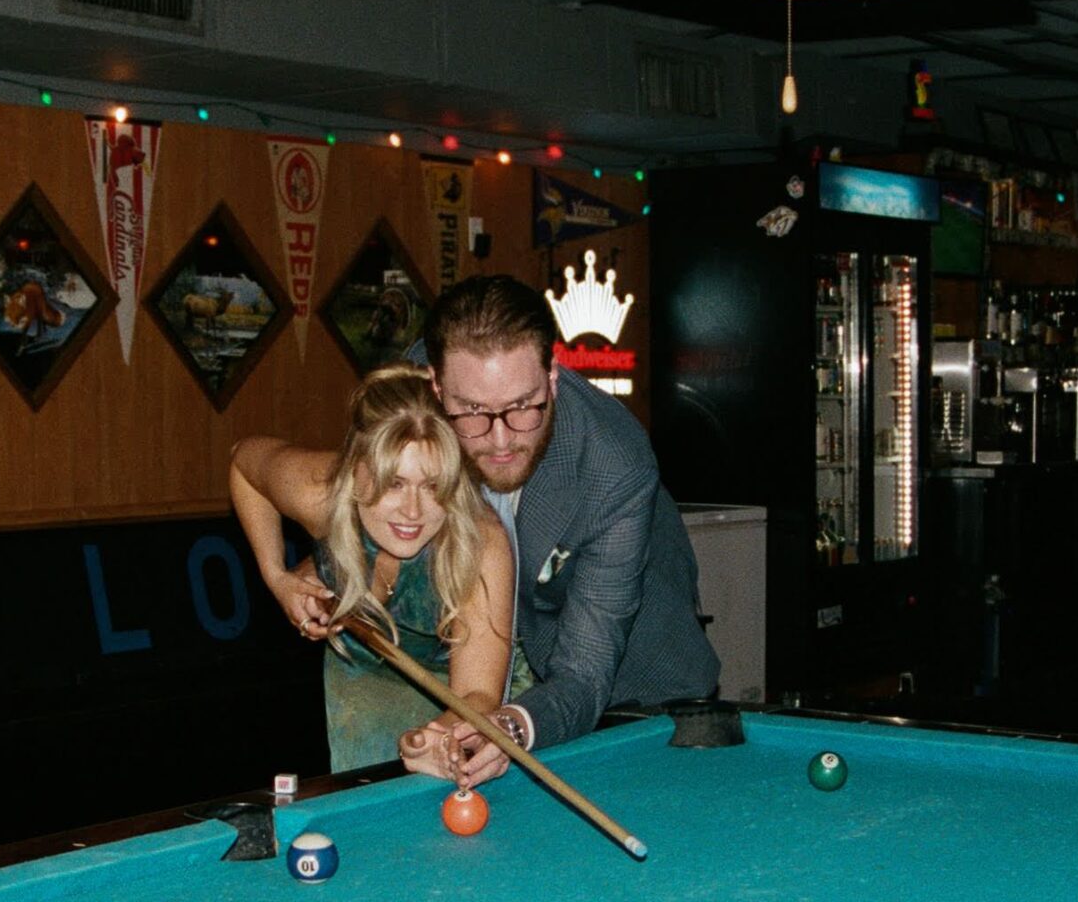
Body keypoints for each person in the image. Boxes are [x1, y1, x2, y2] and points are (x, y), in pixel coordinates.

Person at [410, 274, 720, 784]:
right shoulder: (408, 392)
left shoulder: (614, 468)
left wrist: (509, 723)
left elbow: (583, 672)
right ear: (436, 386)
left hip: (639, 695)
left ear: (553, 378)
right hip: (509, 663)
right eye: (470, 412)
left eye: (523, 406)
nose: (501, 439)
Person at [230, 365, 522, 776]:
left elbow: (476, 693)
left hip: (454, 682)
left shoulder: (480, 542)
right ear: (355, 470)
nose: (413, 511)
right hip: (361, 667)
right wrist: (277, 577)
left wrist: (436, 736)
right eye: (395, 483)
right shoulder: (321, 493)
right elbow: (244, 462)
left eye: (433, 485)